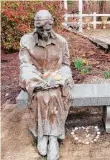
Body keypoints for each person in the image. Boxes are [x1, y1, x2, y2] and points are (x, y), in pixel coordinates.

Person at [19, 10, 74, 160]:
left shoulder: (61, 41)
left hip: (56, 79)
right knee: (41, 94)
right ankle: (43, 135)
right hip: (36, 79)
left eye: (47, 29)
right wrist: (34, 81)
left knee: (55, 93)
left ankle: (53, 138)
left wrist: (62, 77)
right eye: (40, 28)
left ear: (52, 25)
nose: (44, 32)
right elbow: (25, 65)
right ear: (35, 25)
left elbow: (65, 65)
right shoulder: (27, 40)